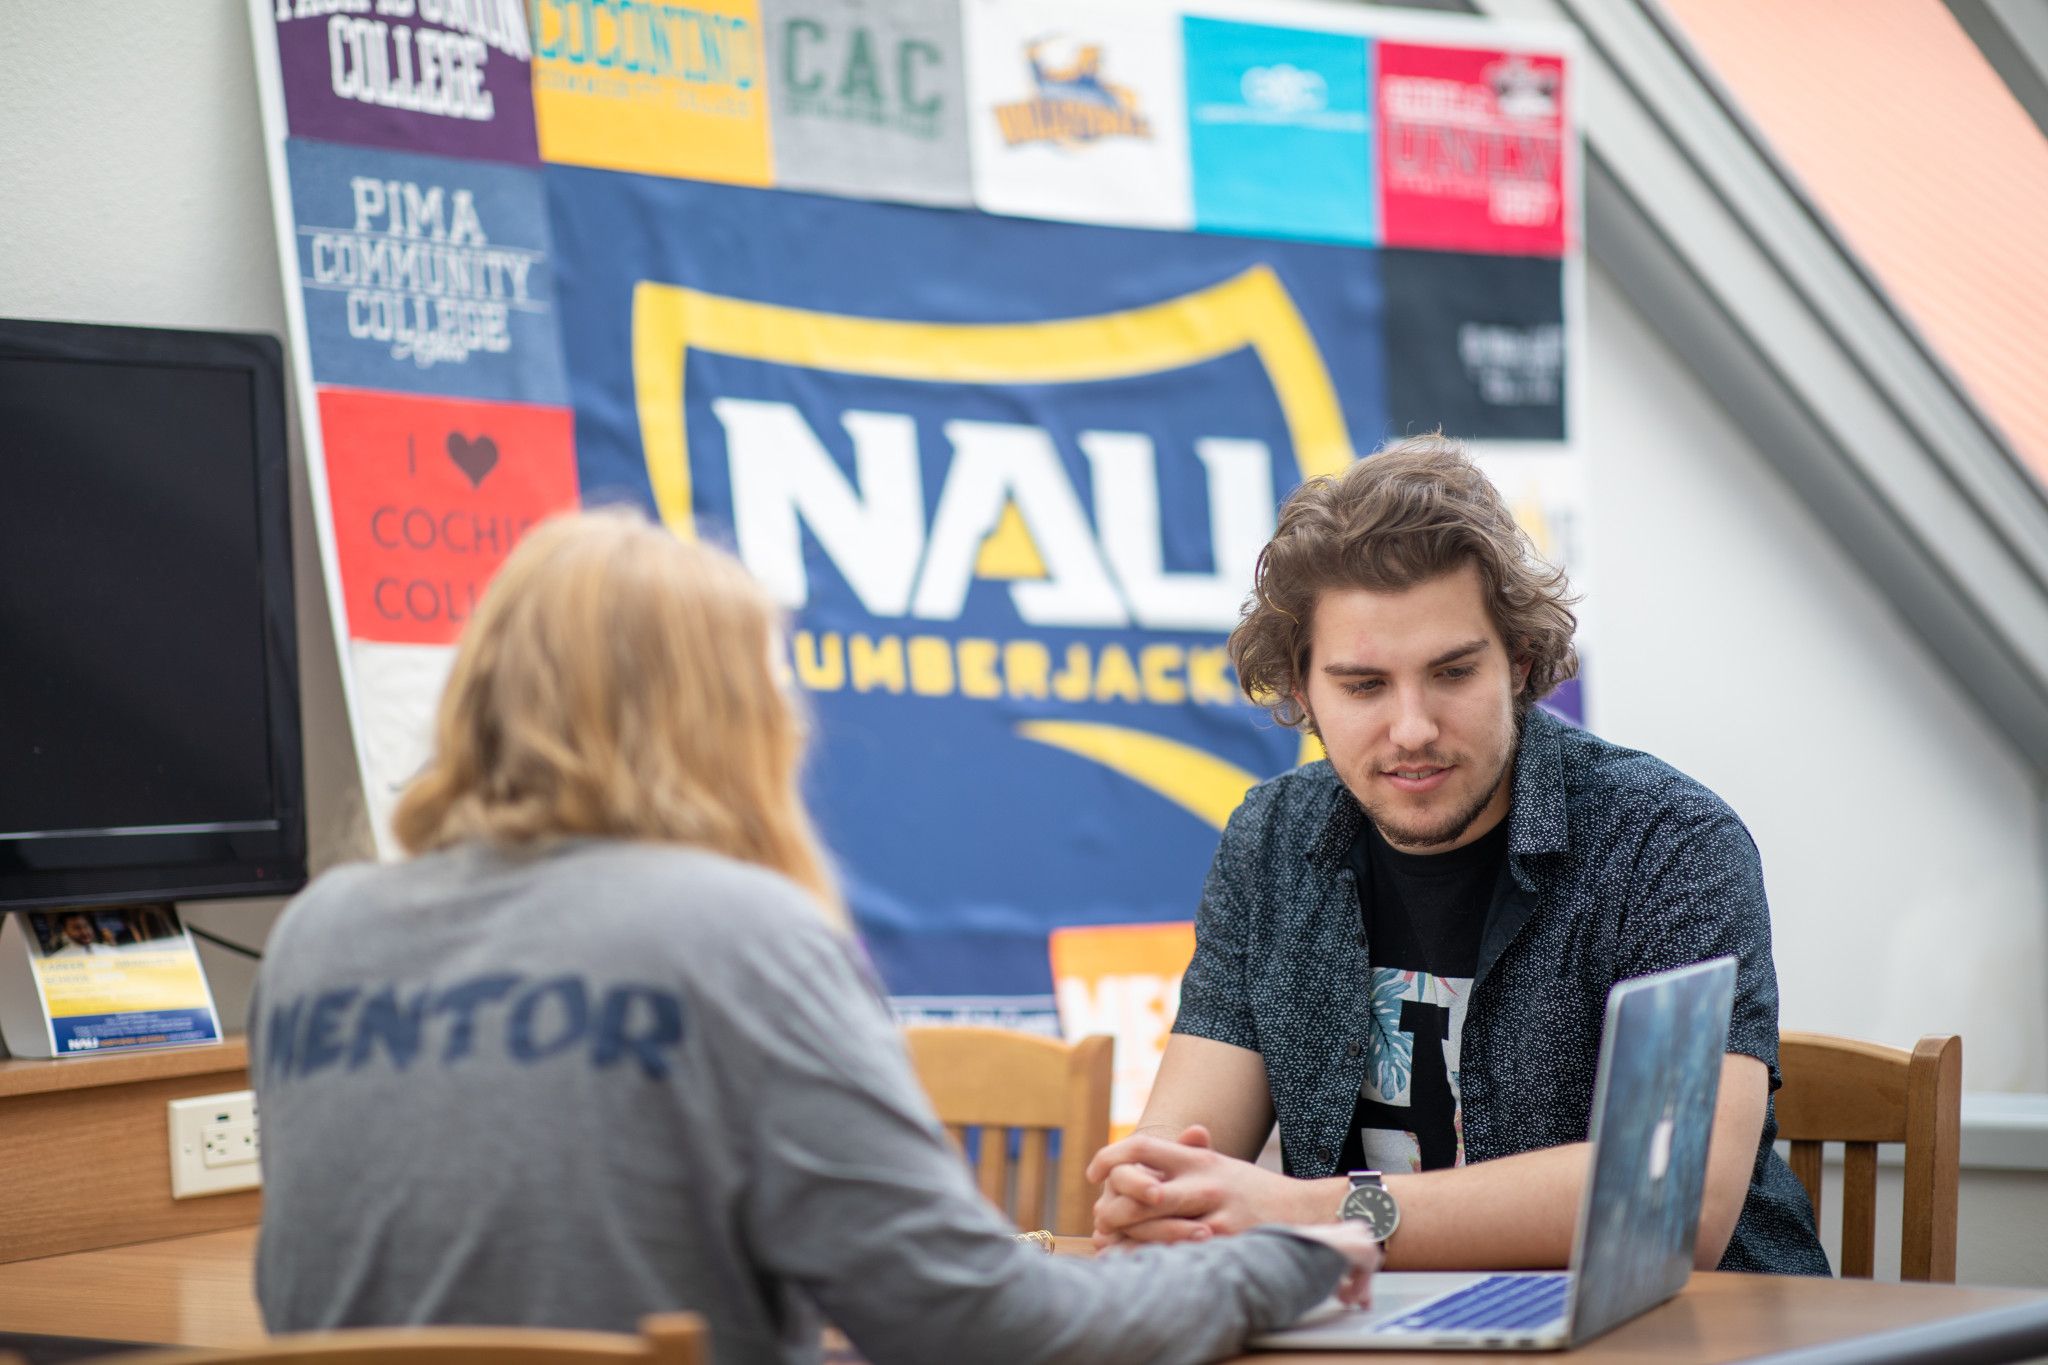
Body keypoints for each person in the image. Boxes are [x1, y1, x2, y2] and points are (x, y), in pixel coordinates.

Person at [250, 508, 1382, 1365]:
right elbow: (985, 1327)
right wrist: (1269, 1266)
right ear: (722, 720)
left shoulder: (316, 935)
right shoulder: (733, 936)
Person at [1087, 435, 1829, 1276]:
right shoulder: (1273, 842)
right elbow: (1185, 1143)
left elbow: (1670, 1198)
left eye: (1451, 672)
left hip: (1688, 1335)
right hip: (1389, 1334)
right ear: (1301, 688)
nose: (1411, 728)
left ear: (1517, 660)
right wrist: (1155, 1193)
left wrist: (1307, 1210)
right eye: (1364, 686)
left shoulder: (1667, 842)